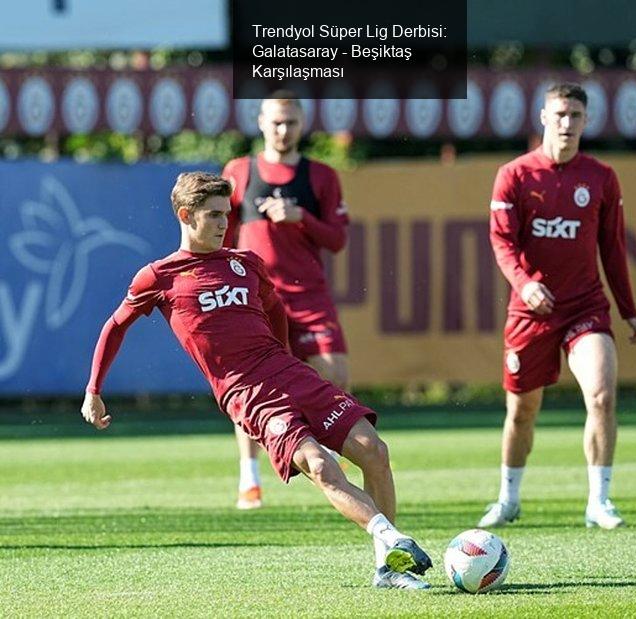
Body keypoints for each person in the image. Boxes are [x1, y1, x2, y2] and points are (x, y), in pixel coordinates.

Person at [80, 172, 432, 589]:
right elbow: (114, 326)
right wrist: (93, 391)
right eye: (212, 215)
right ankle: (391, 538)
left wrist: (283, 354)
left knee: (374, 449)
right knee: (320, 465)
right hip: (248, 394)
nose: (222, 224)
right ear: (185, 215)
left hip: (289, 373)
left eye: (226, 215)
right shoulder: (160, 277)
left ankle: (388, 568)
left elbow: (275, 307)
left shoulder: (245, 263)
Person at [480, 83, 636, 530]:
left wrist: (629, 310)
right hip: (529, 311)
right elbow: (502, 242)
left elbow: (612, 250)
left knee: (601, 394)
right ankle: (509, 498)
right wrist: (524, 283)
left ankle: (599, 500)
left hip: (584, 308)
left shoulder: (600, 177)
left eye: (575, 115)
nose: (566, 123)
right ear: (542, 117)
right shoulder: (514, 175)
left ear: (586, 121)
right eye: (559, 114)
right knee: (522, 411)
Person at [222, 93, 350, 510]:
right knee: (250, 389)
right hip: (254, 298)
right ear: (260, 122)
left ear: (302, 124)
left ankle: (330, 464)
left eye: (291, 122)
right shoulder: (239, 171)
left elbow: (337, 238)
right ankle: (249, 476)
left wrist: (302, 219)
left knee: (336, 375)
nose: (283, 130)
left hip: (308, 295)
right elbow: (222, 234)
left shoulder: (322, 176)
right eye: (276, 122)